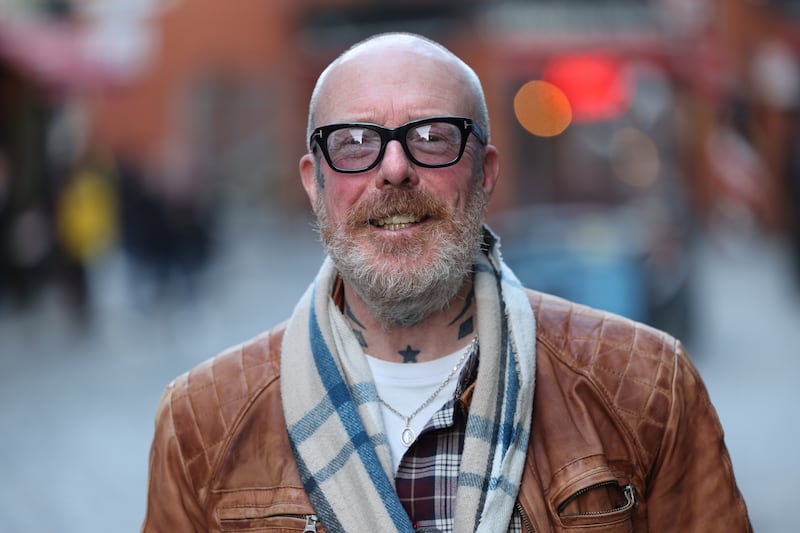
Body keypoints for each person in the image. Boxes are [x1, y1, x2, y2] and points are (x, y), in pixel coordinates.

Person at [142, 32, 751, 532]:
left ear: (485, 174)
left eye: (432, 137)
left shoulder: (645, 388)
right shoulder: (202, 423)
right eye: (354, 143)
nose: (395, 169)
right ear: (314, 181)